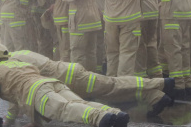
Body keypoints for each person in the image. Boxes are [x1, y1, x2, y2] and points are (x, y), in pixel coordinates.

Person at [0, 43, 128, 127]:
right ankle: (116, 114)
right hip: (51, 83)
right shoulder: (17, 64)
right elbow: (16, 98)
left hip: (37, 93)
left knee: (64, 110)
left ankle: (100, 118)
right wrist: (31, 120)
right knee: (80, 103)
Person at [9, 50, 175, 117]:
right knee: (112, 93)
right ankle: (156, 97)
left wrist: (9, 118)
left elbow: (19, 90)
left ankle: (160, 83)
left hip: (72, 81)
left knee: (112, 86)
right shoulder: (18, 53)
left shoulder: (12, 65)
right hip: (71, 74)